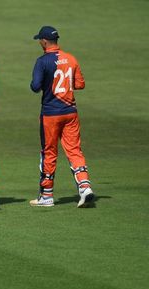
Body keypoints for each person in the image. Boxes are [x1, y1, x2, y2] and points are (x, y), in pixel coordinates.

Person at [29, 26, 94, 208]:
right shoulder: (71, 58)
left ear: (43, 41)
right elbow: (80, 84)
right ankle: (84, 186)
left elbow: (35, 87)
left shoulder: (42, 61)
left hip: (50, 114)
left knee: (49, 153)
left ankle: (47, 195)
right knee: (74, 150)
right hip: (70, 112)